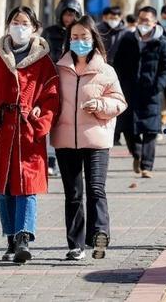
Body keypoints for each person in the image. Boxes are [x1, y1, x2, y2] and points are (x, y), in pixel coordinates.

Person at [0, 6, 60, 264]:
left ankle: (24, 237)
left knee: (28, 186)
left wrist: (39, 123)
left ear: (34, 27)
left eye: (24, 22)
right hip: (1, 130)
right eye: (14, 21)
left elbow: (52, 97)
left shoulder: (43, 61)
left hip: (28, 132)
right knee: (5, 188)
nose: (19, 26)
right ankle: (10, 237)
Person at [51, 16, 127, 261]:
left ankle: (99, 235)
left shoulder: (106, 70)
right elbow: (50, 99)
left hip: (96, 139)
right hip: (65, 140)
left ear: (94, 38)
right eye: (74, 37)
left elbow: (119, 102)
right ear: (68, 40)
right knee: (73, 194)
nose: (79, 41)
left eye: (84, 37)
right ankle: (75, 244)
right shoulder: (59, 68)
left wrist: (101, 104)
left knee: (96, 189)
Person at [113, 6, 166, 178]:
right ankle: (137, 154)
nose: (143, 23)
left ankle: (147, 166)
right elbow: (118, 63)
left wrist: (158, 85)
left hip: (151, 93)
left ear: (154, 22)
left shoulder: (162, 43)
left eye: (147, 20)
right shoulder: (127, 39)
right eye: (141, 20)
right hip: (129, 91)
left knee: (150, 130)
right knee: (127, 128)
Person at [42, 0, 82, 176]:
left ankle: (71, 157)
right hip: (52, 81)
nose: (69, 17)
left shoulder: (81, 33)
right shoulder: (50, 33)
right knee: (51, 120)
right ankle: (51, 159)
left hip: (75, 82)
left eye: (73, 14)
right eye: (66, 13)